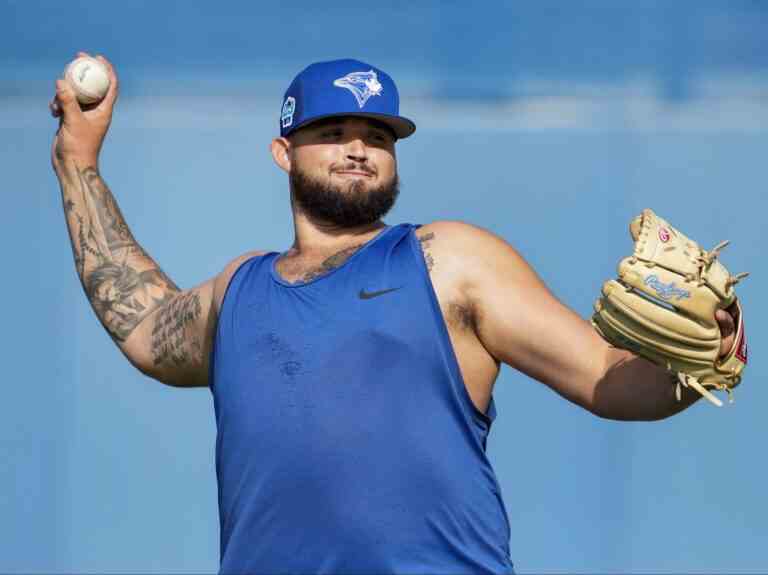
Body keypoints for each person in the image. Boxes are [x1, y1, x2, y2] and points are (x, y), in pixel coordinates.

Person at [51, 54, 739, 574]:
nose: (358, 147)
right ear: (282, 152)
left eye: (377, 136)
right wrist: (77, 160)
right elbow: (141, 321)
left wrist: (705, 358)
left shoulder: (449, 261)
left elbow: (605, 376)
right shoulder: (240, 290)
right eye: (334, 130)